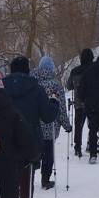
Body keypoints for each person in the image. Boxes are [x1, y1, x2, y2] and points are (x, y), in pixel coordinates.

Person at [2, 56, 58, 198]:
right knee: (27, 176)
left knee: (8, 177)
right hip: (30, 140)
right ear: (27, 70)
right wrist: (54, 102)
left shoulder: (1, 88)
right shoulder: (36, 88)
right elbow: (48, 116)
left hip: (6, 140)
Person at [31, 56, 72, 189]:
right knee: (48, 155)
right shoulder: (55, 85)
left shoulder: (32, 82)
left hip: (34, 126)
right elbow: (60, 108)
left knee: (32, 153)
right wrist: (67, 125)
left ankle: (28, 178)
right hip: (50, 126)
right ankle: (45, 180)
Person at [67, 49, 94, 158]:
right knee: (92, 125)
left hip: (79, 102)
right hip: (92, 102)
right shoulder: (94, 70)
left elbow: (69, 86)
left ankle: (78, 147)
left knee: (79, 126)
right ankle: (90, 144)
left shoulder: (75, 71)